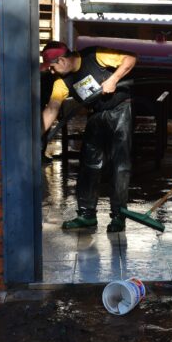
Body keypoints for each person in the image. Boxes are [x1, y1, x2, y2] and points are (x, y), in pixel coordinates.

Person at [40, 41, 137, 233]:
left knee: (120, 165)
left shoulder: (95, 56)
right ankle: (86, 215)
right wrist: (35, 135)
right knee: (89, 164)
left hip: (120, 110)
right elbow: (52, 109)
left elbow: (131, 59)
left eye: (52, 67)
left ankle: (119, 215)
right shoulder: (61, 82)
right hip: (96, 114)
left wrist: (113, 79)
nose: (51, 72)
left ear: (61, 60)